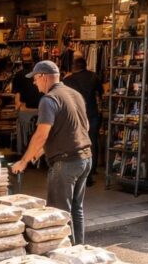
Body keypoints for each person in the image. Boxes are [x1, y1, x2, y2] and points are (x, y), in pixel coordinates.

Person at [11, 60, 92, 244]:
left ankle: (65, 257)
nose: (34, 83)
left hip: (66, 162)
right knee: (76, 209)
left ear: (44, 77)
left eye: (35, 79)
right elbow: (83, 126)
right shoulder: (74, 94)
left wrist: (23, 161)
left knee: (59, 214)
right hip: (85, 158)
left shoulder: (48, 100)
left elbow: (41, 134)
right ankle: (78, 249)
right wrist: (39, 152)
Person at [64, 55, 104, 186]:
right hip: (92, 113)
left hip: (75, 115)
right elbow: (101, 92)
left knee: (76, 142)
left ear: (74, 66)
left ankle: (78, 172)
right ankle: (91, 172)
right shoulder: (94, 77)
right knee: (92, 142)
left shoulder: (68, 80)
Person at [12, 47, 42, 155]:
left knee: (23, 130)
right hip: (40, 110)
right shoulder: (40, 74)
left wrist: (18, 106)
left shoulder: (18, 75)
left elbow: (17, 94)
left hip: (27, 111)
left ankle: (24, 150)